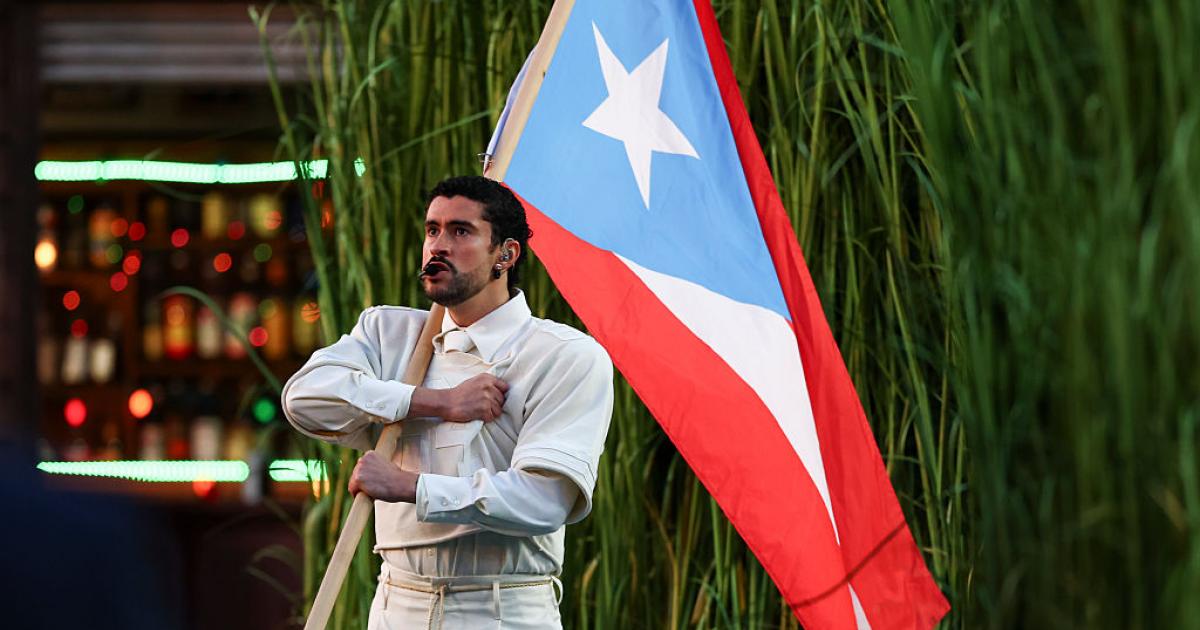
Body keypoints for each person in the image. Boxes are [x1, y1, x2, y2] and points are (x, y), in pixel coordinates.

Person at [281, 175, 614, 629]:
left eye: (461, 231)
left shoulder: (564, 355)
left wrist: (409, 487)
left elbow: (544, 501)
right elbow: (303, 398)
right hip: (394, 605)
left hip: (502, 610)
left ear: (506, 254)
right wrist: (433, 402)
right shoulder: (388, 334)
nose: (438, 245)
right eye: (432, 229)